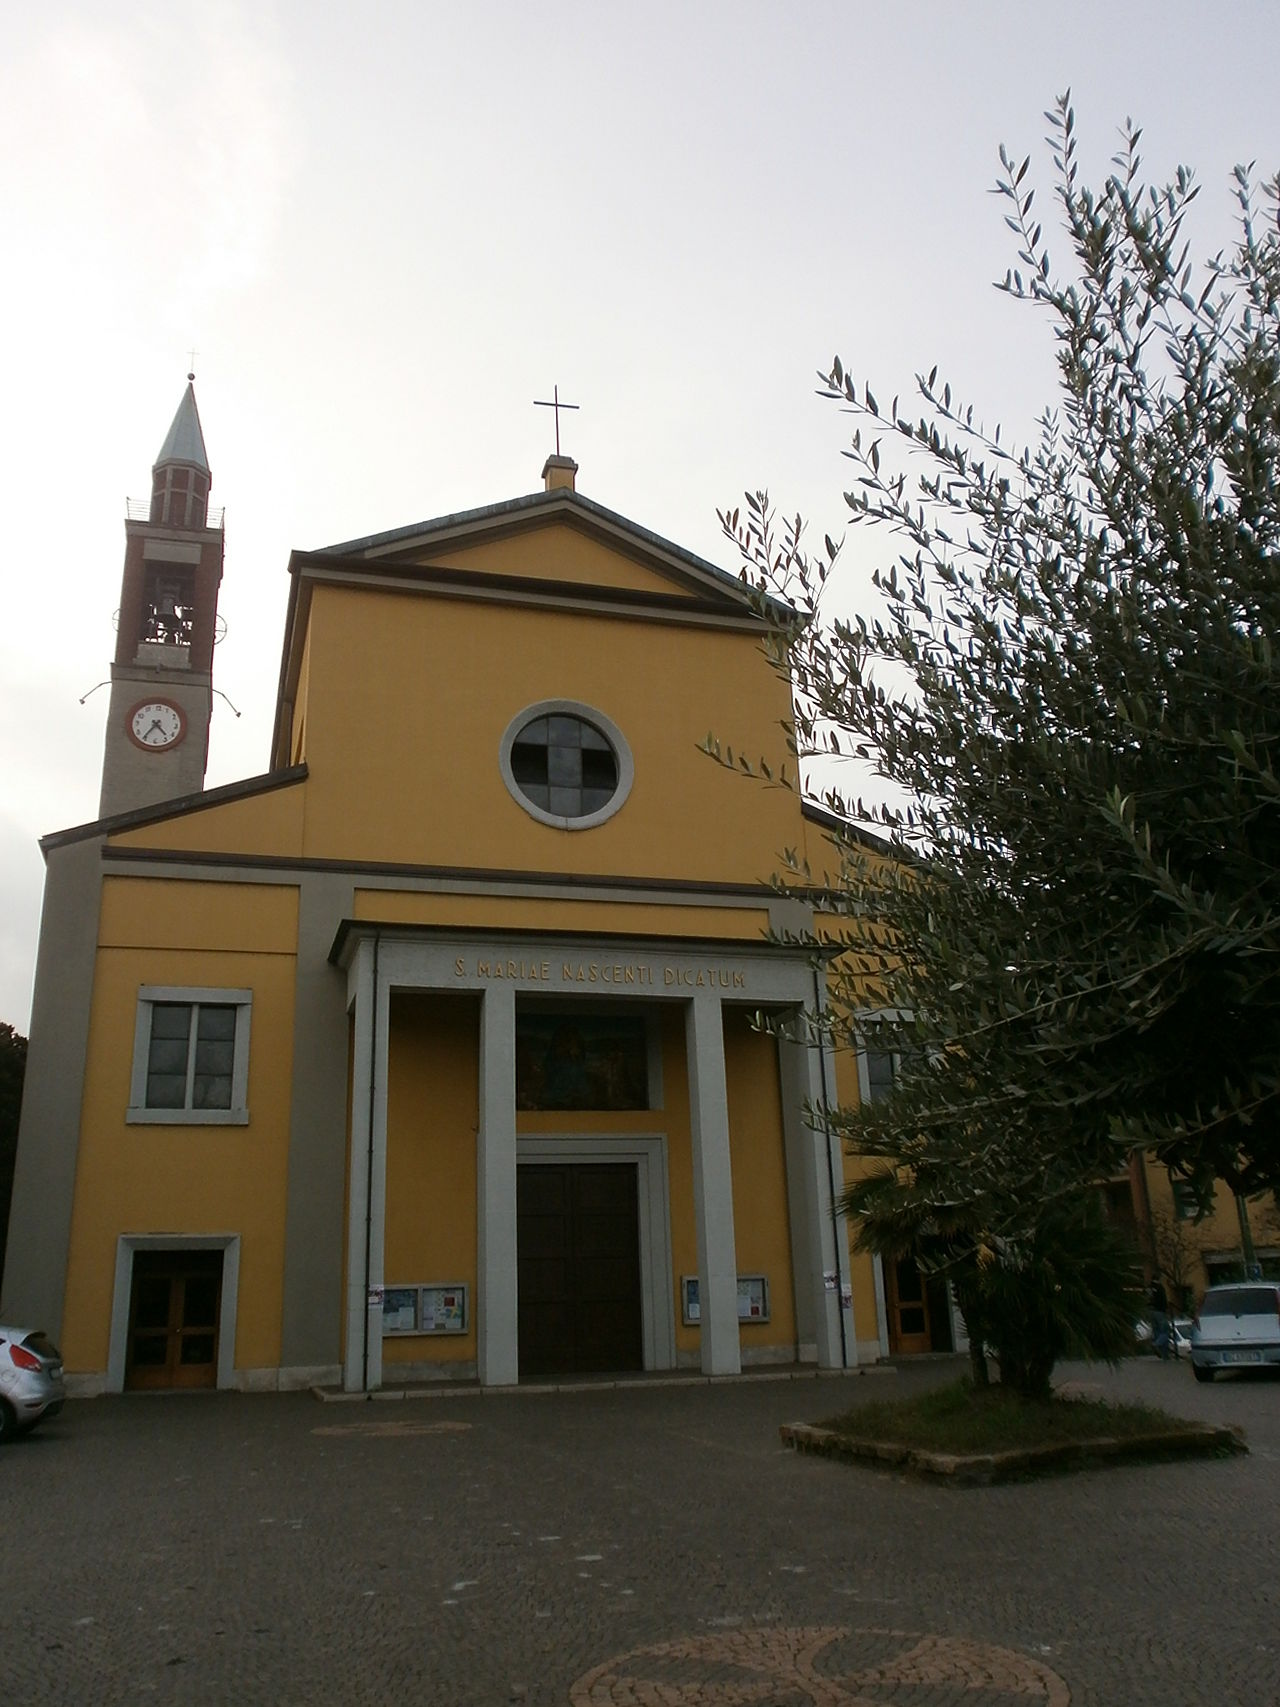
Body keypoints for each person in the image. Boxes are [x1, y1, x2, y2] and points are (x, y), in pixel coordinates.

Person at [1148, 1276, 1170, 1360]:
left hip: (1150, 1311)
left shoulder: (1149, 1288)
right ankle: (1156, 1345)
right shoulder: (1160, 1288)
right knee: (1165, 1331)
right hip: (1160, 1311)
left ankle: (1163, 1354)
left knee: (1157, 1332)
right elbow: (1163, 1299)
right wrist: (1166, 1309)